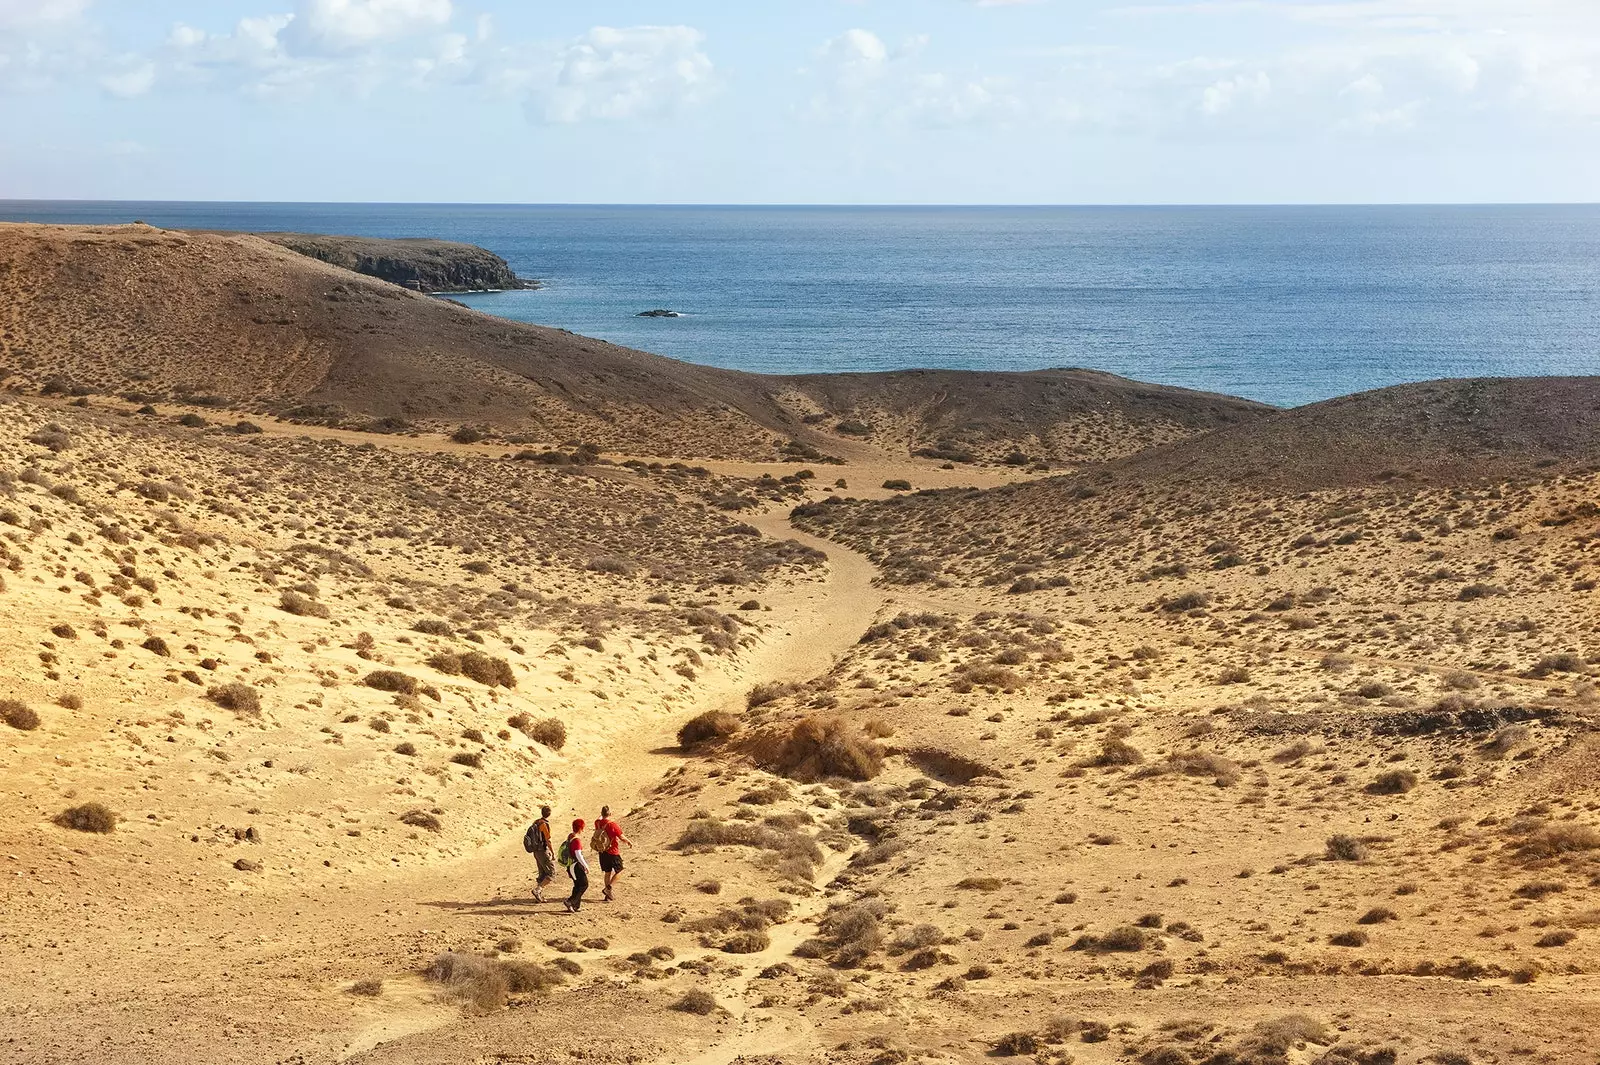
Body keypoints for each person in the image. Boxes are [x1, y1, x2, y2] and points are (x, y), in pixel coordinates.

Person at [592, 805, 632, 902]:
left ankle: (608, 896)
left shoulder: (597, 823)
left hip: (602, 851)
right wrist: (629, 842)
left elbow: (599, 818)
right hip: (613, 851)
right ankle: (608, 889)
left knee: (607, 873)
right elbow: (621, 837)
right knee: (620, 870)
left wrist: (602, 816)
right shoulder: (612, 824)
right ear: (610, 813)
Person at [526, 805, 555, 903]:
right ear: (549, 814)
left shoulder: (536, 822)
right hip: (543, 851)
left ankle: (539, 895)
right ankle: (537, 890)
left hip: (536, 851)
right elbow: (547, 840)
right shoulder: (544, 824)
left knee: (542, 873)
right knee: (551, 873)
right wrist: (552, 852)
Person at [561, 818, 589, 913]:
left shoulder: (570, 836)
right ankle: (570, 901)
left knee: (577, 885)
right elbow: (578, 855)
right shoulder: (577, 840)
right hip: (576, 865)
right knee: (584, 884)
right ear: (581, 828)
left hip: (570, 865)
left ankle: (576, 906)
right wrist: (586, 866)